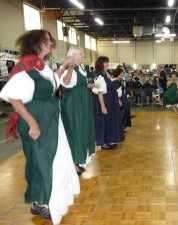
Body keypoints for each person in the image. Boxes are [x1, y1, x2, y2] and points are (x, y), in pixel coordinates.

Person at [0, 29, 80, 224]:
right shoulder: (25, 67)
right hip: (36, 121)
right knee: (42, 163)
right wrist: (32, 122)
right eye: (48, 41)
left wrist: (66, 67)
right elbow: (12, 96)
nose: (51, 44)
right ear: (37, 43)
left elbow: (53, 80)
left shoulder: (42, 66)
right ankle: (41, 202)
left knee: (56, 160)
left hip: (51, 120)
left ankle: (44, 201)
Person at [60, 46, 96, 175]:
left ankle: (76, 161)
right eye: (81, 54)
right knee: (75, 130)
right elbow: (66, 82)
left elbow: (82, 84)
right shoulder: (71, 69)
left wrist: (92, 85)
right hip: (74, 104)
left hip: (82, 102)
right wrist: (69, 67)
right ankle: (73, 163)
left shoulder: (80, 69)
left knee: (81, 129)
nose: (83, 55)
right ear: (73, 56)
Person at [92, 56, 125, 150]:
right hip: (104, 101)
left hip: (110, 101)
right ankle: (103, 142)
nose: (108, 64)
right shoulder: (99, 76)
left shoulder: (105, 74)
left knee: (109, 121)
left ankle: (109, 140)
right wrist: (102, 106)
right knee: (103, 122)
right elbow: (99, 92)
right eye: (106, 63)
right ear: (102, 64)